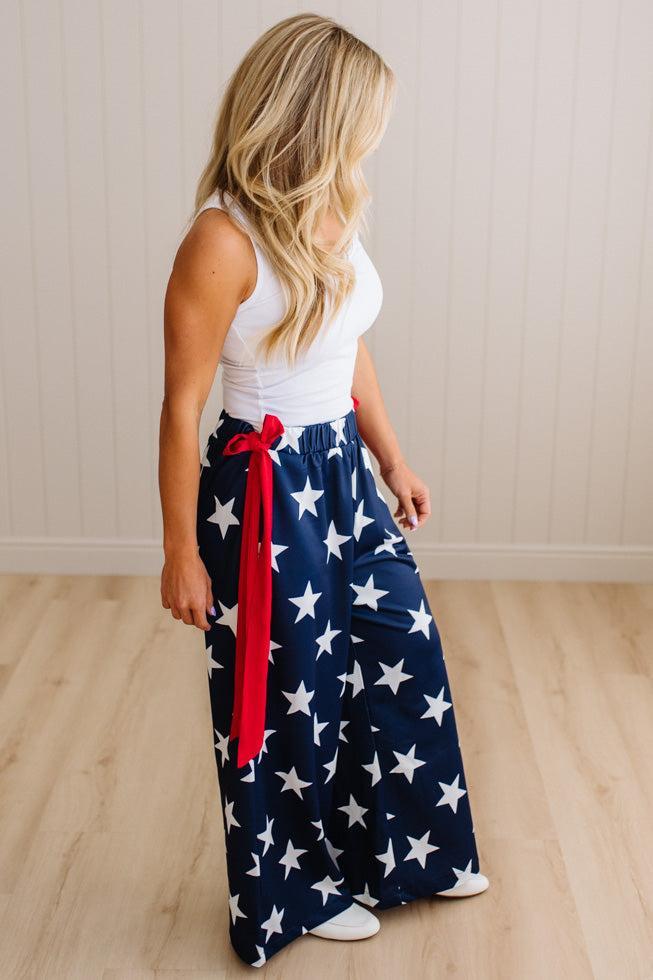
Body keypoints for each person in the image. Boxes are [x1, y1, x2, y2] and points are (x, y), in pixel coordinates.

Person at [158, 13, 488, 970]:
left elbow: (345, 349)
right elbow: (182, 409)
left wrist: (392, 457)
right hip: (262, 485)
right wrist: (180, 549)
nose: (374, 137)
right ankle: (291, 895)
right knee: (290, 693)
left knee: (399, 653)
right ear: (315, 114)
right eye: (365, 118)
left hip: (340, 463)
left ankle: (408, 857)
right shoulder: (221, 240)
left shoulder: (332, 211)